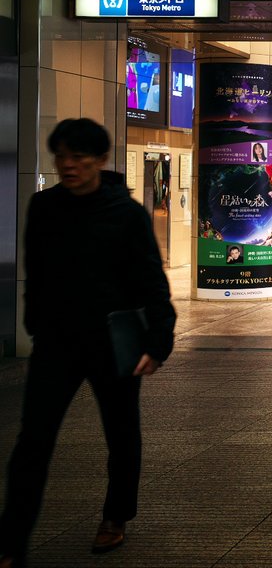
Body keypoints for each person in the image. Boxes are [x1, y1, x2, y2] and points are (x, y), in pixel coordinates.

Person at [0, 119, 176, 565]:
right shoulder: (44, 207)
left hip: (113, 342)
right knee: (33, 440)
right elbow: (36, 271)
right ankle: (12, 539)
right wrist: (35, 323)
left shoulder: (127, 214)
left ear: (100, 160)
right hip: (56, 342)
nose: (68, 165)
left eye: (78, 157)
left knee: (121, 433)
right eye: (61, 156)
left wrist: (158, 342)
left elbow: (151, 281)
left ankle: (116, 516)